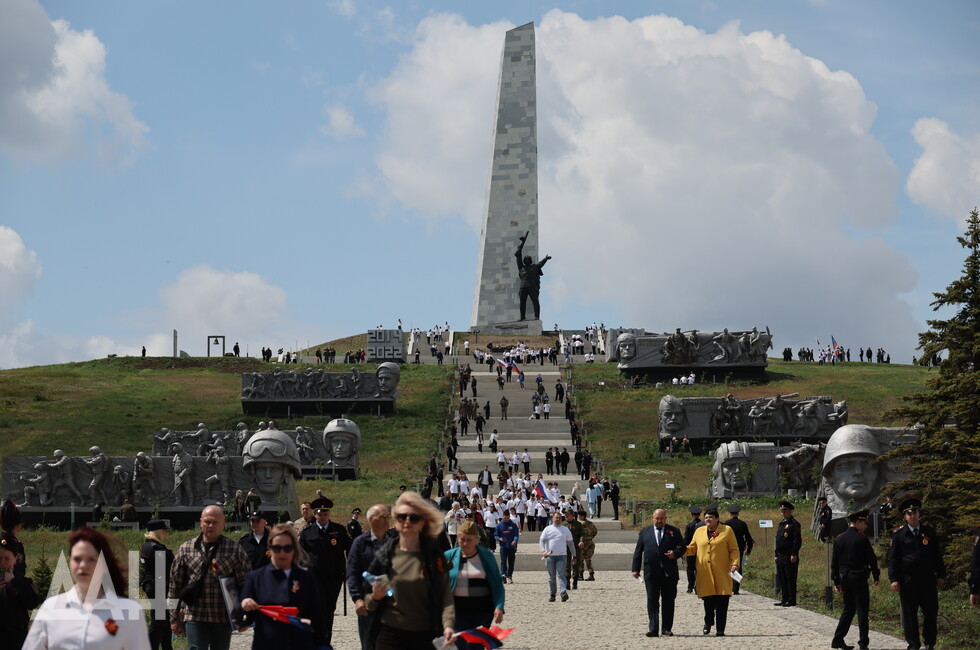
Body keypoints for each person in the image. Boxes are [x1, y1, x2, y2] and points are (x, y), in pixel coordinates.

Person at [25, 527, 150, 650]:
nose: (83, 565)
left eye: (91, 559)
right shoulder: (50, 609)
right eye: (77, 559)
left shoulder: (129, 611)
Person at [364, 491, 455, 649]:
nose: (407, 521)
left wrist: (448, 625)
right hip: (388, 633)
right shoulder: (384, 555)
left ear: (422, 522)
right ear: (395, 520)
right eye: (402, 516)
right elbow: (368, 602)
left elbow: (446, 595)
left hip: (425, 634)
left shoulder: (433, 556)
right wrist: (375, 597)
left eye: (414, 517)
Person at [169, 505, 252, 650]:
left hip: (222, 616)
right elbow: (174, 585)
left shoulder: (234, 549)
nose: (210, 526)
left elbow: (246, 584)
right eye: (207, 522)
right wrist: (174, 618)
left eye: (215, 522)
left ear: (223, 524)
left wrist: (245, 617)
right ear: (201, 522)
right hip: (194, 615)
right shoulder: (186, 549)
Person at [239, 524, 326, 649]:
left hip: (298, 644)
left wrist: (323, 645)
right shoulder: (256, 577)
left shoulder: (307, 578)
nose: (282, 553)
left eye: (287, 548)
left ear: (295, 549)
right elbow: (239, 615)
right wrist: (244, 605)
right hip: (266, 645)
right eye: (277, 548)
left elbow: (317, 620)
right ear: (269, 548)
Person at [888, 497, 945, 650]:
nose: (913, 515)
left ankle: (929, 642)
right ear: (905, 516)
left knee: (930, 612)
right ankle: (913, 644)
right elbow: (893, 559)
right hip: (908, 580)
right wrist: (893, 579)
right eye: (909, 513)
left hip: (927, 580)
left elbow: (936, 555)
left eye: (915, 512)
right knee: (910, 614)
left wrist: (940, 575)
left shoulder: (929, 532)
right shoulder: (899, 534)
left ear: (919, 514)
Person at [298, 496, 351, 647]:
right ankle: (317, 640)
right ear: (315, 514)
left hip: (333, 578)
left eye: (325, 514)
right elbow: (300, 554)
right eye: (320, 514)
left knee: (329, 609)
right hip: (314, 578)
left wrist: (350, 568)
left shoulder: (338, 530)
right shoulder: (307, 532)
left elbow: (350, 549)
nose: (322, 517)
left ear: (329, 515)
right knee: (317, 608)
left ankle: (325, 640)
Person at [445, 521, 505, 650]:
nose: (465, 543)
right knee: (459, 643)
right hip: (457, 610)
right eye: (462, 540)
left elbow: (497, 584)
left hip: (482, 611)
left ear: (477, 540)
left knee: (476, 646)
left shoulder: (486, 556)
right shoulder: (449, 556)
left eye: (469, 540)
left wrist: (499, 607)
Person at [683, 506, 740, 637]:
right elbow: (692, 548)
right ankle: (708, 622)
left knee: (722, 602)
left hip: (722, 573)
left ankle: (720, 629)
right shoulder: (699, 531)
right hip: (705, 574)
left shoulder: (727, 530)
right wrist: (679, 551)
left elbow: (734, 549)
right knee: (708, 603)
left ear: (717, 519)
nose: (708, 519)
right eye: (706, 517)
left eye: (711, 517)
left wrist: (735, 564)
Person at [631, 509, 685, 637]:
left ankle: (666, 628)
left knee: (668, 600)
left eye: (662, 518)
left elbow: (683, 547)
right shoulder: (645, 532)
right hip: (651, 572)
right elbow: (638, 551)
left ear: (665, 518)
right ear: (652, 518)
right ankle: (653, 628)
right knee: (652, 600)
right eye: (657, 518)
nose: (659, 521)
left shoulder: (674, 531)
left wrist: (675, 554)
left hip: (669, 573)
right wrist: (635, 568)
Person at [831, 510, 880, 650]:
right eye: (864, 523)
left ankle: (838, 639)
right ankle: (863, 643)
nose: (865, 526)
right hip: (858, 577)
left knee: (848, 609)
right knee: (862, 610)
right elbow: (872, 559)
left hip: (845, 578)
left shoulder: (839, 538)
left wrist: (836, 581)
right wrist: (876, 575)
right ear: (858, 522)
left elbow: (834, 562)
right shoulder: (862, 539)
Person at [346, 504, 392, 650]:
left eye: (388, 517)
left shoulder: (394, 541)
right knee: (369, 643)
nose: (387, 520)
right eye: (383, 517)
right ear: (372, 519)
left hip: (393, 602)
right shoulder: (360, 543)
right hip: (368, 602)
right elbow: (352, 573)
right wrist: (357, 599)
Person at [139, 519, 175, 650]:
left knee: (164, 624)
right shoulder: (155, 548)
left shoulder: (148, 546)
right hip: (159, 588)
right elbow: (165, 570)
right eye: (164, 531)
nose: (166, 534)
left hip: (155, 587)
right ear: (159, 531)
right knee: (159, 624)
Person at [0, 530, 38, 650]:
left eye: (7, 559)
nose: (2, 563)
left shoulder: (23, 582)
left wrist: (14, 582)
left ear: (15, 559)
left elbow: (32, 602)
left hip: (17, 643)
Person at [539, 511, 575, 602]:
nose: (558, 519)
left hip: (562, 556)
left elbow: (571, 544)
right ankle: (552, 594)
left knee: (561, 574)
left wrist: (574, 555)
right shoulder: (547, 529)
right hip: (550, 556)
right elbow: (542, 541)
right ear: (552, 519)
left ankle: (563, 592)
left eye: (559, 518)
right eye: (556, 517)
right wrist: (543, 551)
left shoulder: (565, 530)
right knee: (551, 577)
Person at [773, 500, 802, 607]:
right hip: (780, 555)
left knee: (790, 577)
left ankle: (791, 600)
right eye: (782, 511)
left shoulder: (794, 524)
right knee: (782, 577)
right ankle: (784, 598)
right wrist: (776, 555)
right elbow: (778, 540)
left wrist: (794, 553)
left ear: (790, 512)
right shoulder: (781, 524)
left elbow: (797, 540)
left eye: (785, 511)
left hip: (789, 555)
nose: (783, 513)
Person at [722, 505, 754, 595]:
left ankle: (729, 586)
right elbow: (748, 537)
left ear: (730, 513)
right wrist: (749, 549)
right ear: (738, 514)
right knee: (738, 567)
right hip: (739, 548)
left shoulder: (727, 523)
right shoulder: (742, 523)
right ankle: (736, 588)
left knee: (728, 566)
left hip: (728, 548)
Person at [494, 511, 520, 583]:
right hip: (503, 547)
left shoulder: (513, 525)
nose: (506, 519)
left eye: (508, 518)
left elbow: (516, 534)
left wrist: (515, 540)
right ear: (503, 517)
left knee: (511, 562)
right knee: (503, 561)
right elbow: (496, 535)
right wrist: (499, 539)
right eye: (505, 518)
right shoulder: (499, 525)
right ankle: (503, 575)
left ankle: (509, 575)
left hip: (511, 547)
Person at [683, 506, 702, 593]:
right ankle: (698, 586)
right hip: (700, 550)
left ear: (691, 514)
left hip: (691, 549)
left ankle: (690, 586)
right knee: (699, 568)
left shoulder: (689, 526)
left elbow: (686, 539)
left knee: (690, 568)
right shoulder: (703, 525)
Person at [577, 510, 598, 581]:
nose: (578, 517)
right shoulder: (590, 523)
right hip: (590, 543)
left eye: (579, 516)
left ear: (582, 516)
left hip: (582, 544)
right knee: (588, 560)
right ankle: (591, 574)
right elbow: (595, 532)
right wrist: (590, 538)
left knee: (580, 560)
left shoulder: (579, 524)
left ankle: (580, 575)